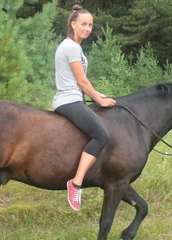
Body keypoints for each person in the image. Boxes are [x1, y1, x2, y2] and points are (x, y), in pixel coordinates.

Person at [52, 4, 116, 211]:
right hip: (69, 100)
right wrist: (99, 99)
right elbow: (82, 82)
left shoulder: (72, 46)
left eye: (90, 25)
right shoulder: (72, 47)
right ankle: (76, 182)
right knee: (101, 135)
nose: (87, 28)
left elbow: (81, 81)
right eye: (83, 24)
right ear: (73, 24)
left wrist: (99, 95)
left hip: (73, 98)